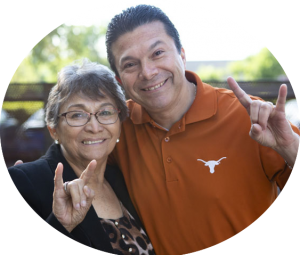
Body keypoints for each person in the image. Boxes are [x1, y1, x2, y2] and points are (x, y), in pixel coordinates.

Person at [103, 4, 300, 254]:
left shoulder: (249, 117)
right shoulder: (117, 128)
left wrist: (290, 147)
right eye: (130, 64)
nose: (148, 72)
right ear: (120, 79)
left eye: (158, 53)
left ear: (182, 55)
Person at [7, 59, 155, 254]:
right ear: (54, 130)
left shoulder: (124, 179)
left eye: (105, 112)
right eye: (77, 115)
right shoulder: (25, 182)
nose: (94, 127)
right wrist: (60, 225)